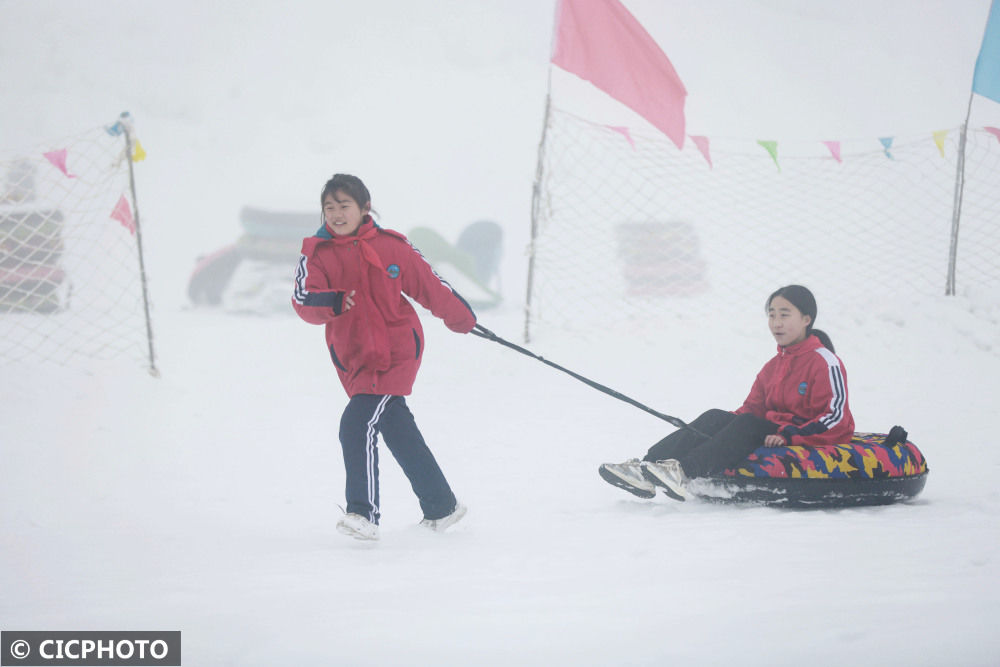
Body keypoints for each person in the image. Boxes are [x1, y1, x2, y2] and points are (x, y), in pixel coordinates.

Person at [292, 174, 477, 540]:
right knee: (396, 425)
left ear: (364, 208)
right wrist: (332, 300)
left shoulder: (393, 247)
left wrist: (461, 318)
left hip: (395, 351)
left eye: (344, 206)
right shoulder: (317, 254)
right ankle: (441, 505)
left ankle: (363, 513)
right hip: (354, 357)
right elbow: (302, 300)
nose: (336, 214)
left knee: (356, 424)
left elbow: (430, 285)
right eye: (329, 208)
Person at [599, 285, 854, 502]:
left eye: (785, 315)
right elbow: (751, 409)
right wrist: (721, 427)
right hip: (768, 430)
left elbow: (836, 418)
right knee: (715, 417)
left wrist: (789, 435)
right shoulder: (774, 365)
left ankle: (683, 471)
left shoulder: (824, 362)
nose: (776, 323)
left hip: (795, 434)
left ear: (806, 319)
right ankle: (647, 467)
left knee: (747, 424)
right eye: (772, 315)